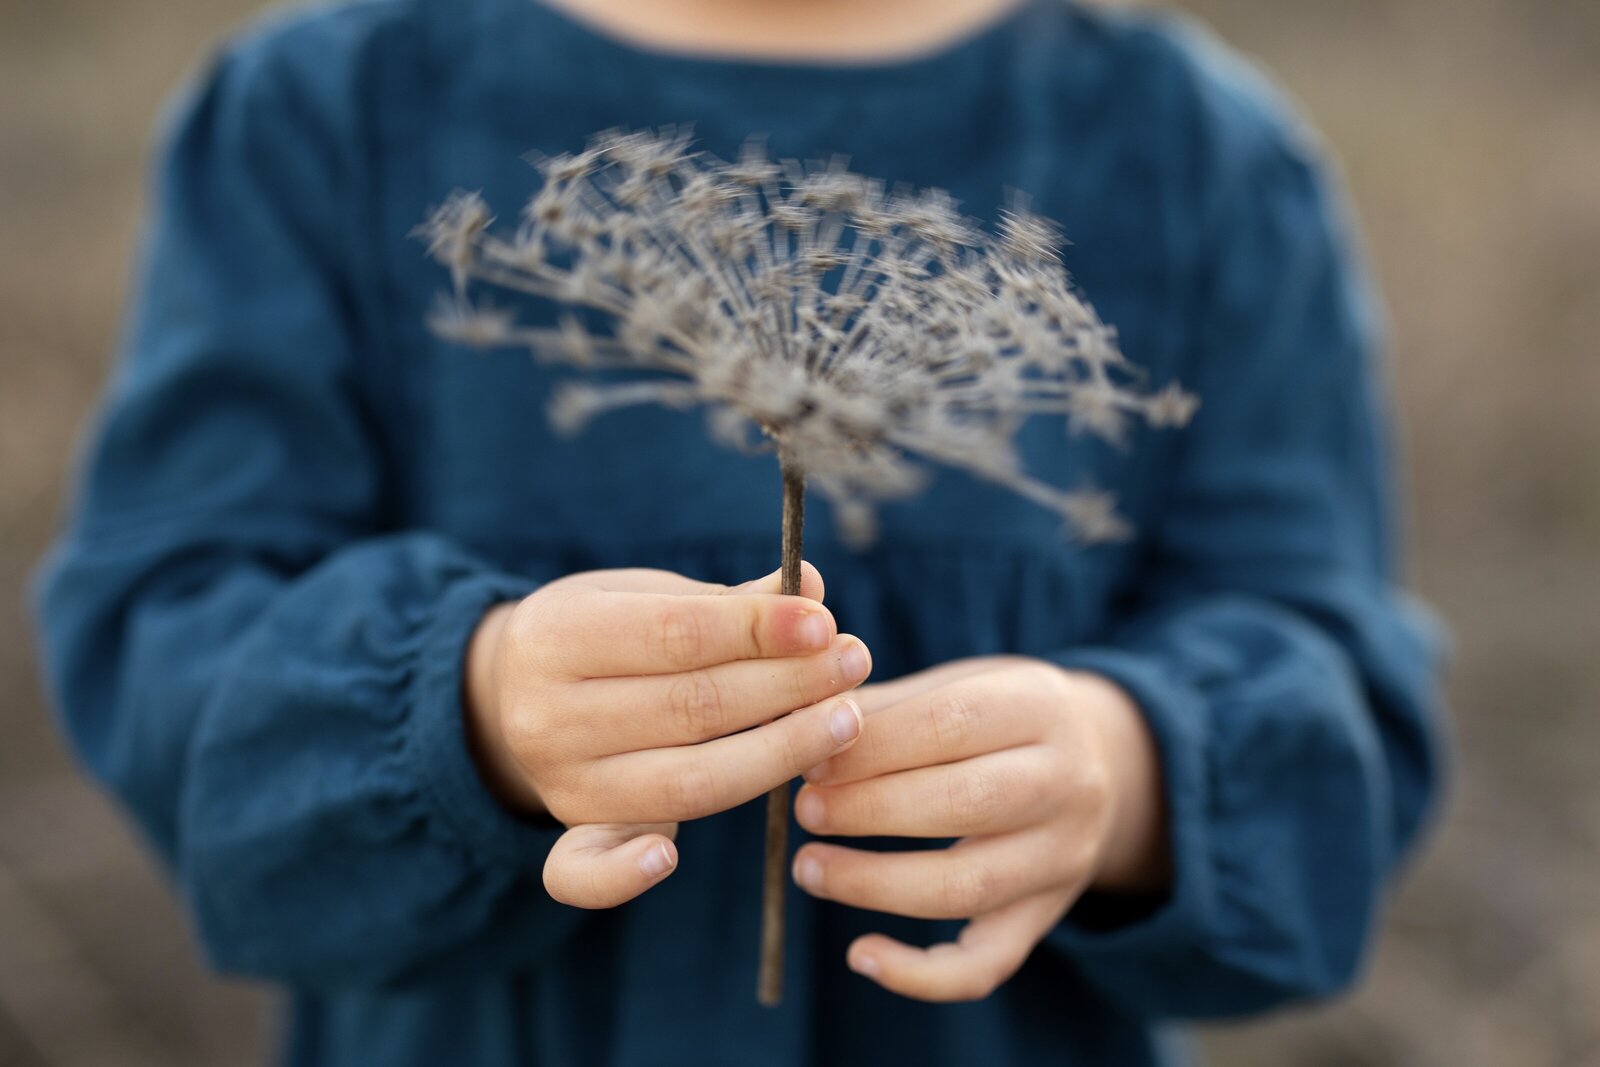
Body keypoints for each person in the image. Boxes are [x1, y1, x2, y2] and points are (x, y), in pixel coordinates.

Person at [33, 0, 1446, 1064]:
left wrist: (1126, 769)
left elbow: (1334, 691)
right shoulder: (327, 113)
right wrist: (465, 705)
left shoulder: (1199, 155)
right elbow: (164, 631)